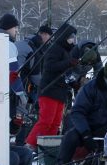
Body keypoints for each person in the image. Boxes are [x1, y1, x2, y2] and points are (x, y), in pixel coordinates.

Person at [25, 23, 78, 151]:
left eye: (74, 37)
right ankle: (29, 145)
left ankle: (48, 148)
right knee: (46, 121)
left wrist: (73, 81)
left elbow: (65, 71)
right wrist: (68, 63)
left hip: (61, 92)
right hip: (49, 90)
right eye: (71, 37)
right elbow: (50, 67)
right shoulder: (55, 48)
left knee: (55, 123)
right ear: (64, 36)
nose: (73, 39)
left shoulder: (68, 51)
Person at [15, 24, 53, 105]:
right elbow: (35, 74)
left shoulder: (32, 43)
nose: (49, 39)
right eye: (49, 36)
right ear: (43, 34)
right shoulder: (34, 48)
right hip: (22, 85)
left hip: (17, 83)